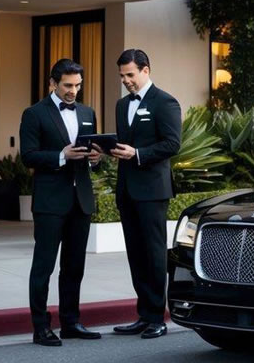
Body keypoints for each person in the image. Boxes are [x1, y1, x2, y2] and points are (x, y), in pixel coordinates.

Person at [20, 58, 103, 347]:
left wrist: (95, 159)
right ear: (53, 83)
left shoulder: (87, 112)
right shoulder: (34, 114)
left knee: (74, 266)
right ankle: (40, 327)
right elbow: (28, 156)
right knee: (43, 266)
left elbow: (92, 153)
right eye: (68, 85)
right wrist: (61, 155)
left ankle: (71, 322)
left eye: (78, 85)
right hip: (50, 201)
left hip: (80, 200)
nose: (73, 91)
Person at [109, 49, 182, 339]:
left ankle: (157, 318)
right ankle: (143, 315)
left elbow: (172, 144)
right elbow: (125, 143)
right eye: (122, 76)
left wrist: (138, 154)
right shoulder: (121, 105)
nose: (126, 80)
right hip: (127, 189)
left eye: (130, 74)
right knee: (136, 254)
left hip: (152, 191)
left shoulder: (165, 102)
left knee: (153, 254)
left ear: (145, 70)